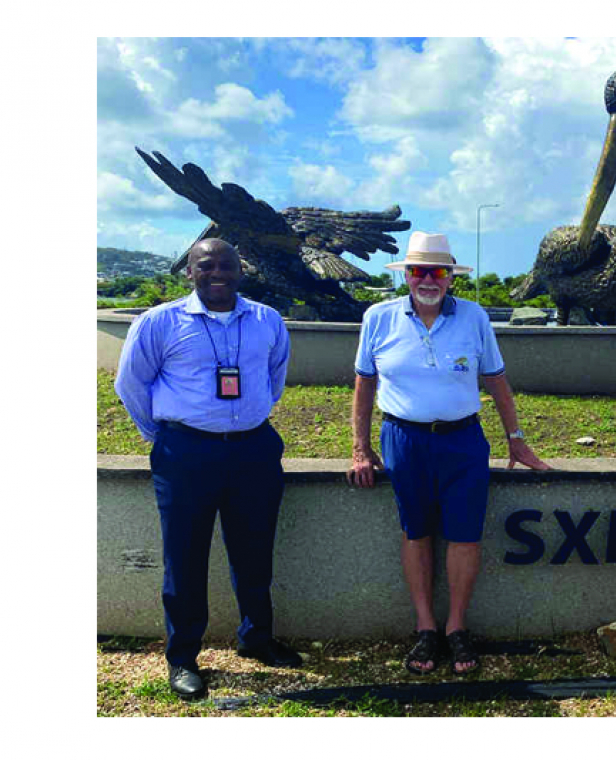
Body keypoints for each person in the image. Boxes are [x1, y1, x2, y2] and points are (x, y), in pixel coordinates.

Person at [348, 231, 550, 676]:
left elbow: (496, 379)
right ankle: (426, 628)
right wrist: (361, 449)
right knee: (416, 530)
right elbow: (364, 384)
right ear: (407, 276)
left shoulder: (475, 317)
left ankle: (456, 627)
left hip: (463, 440)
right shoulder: (378, 318)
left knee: (464, 535)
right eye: (419, 272)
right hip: (403, 439)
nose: (428, 281)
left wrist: (515, 437)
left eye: (437, 272)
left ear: (450, 278)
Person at [114, 238, 301, 702]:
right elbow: (131, 383)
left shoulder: (266, 320)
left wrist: (246, 416)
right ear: (190, 272)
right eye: (206, 265)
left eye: (226, 265)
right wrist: (166, 435)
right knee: (185, 556)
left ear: (241, 269)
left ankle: (257, 638)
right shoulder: (159, 322)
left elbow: (273, 378)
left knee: (254, 551)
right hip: (186, 454)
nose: (217, 272)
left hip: (253, 451)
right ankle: (182, 658)